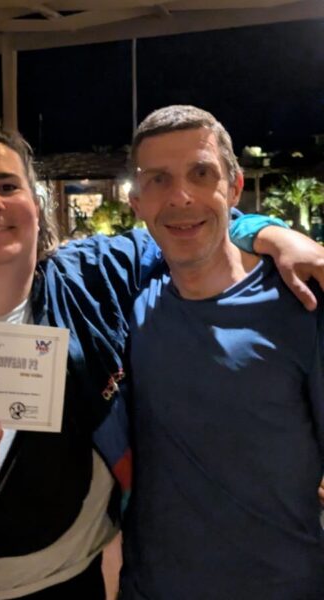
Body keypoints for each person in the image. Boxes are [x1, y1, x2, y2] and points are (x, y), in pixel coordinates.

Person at [0, 119, 324, 599]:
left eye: (7, 185)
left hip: (76, 584)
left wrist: (274, 235)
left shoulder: (92, 280)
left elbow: (187, 222)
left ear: (36, 207)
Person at [123, 105, 324, 599]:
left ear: (234, 188)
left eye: (201, 173)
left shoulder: (301, 302)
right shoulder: (134, 296)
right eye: (159, 180)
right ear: (137, 203)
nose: (181, 197)